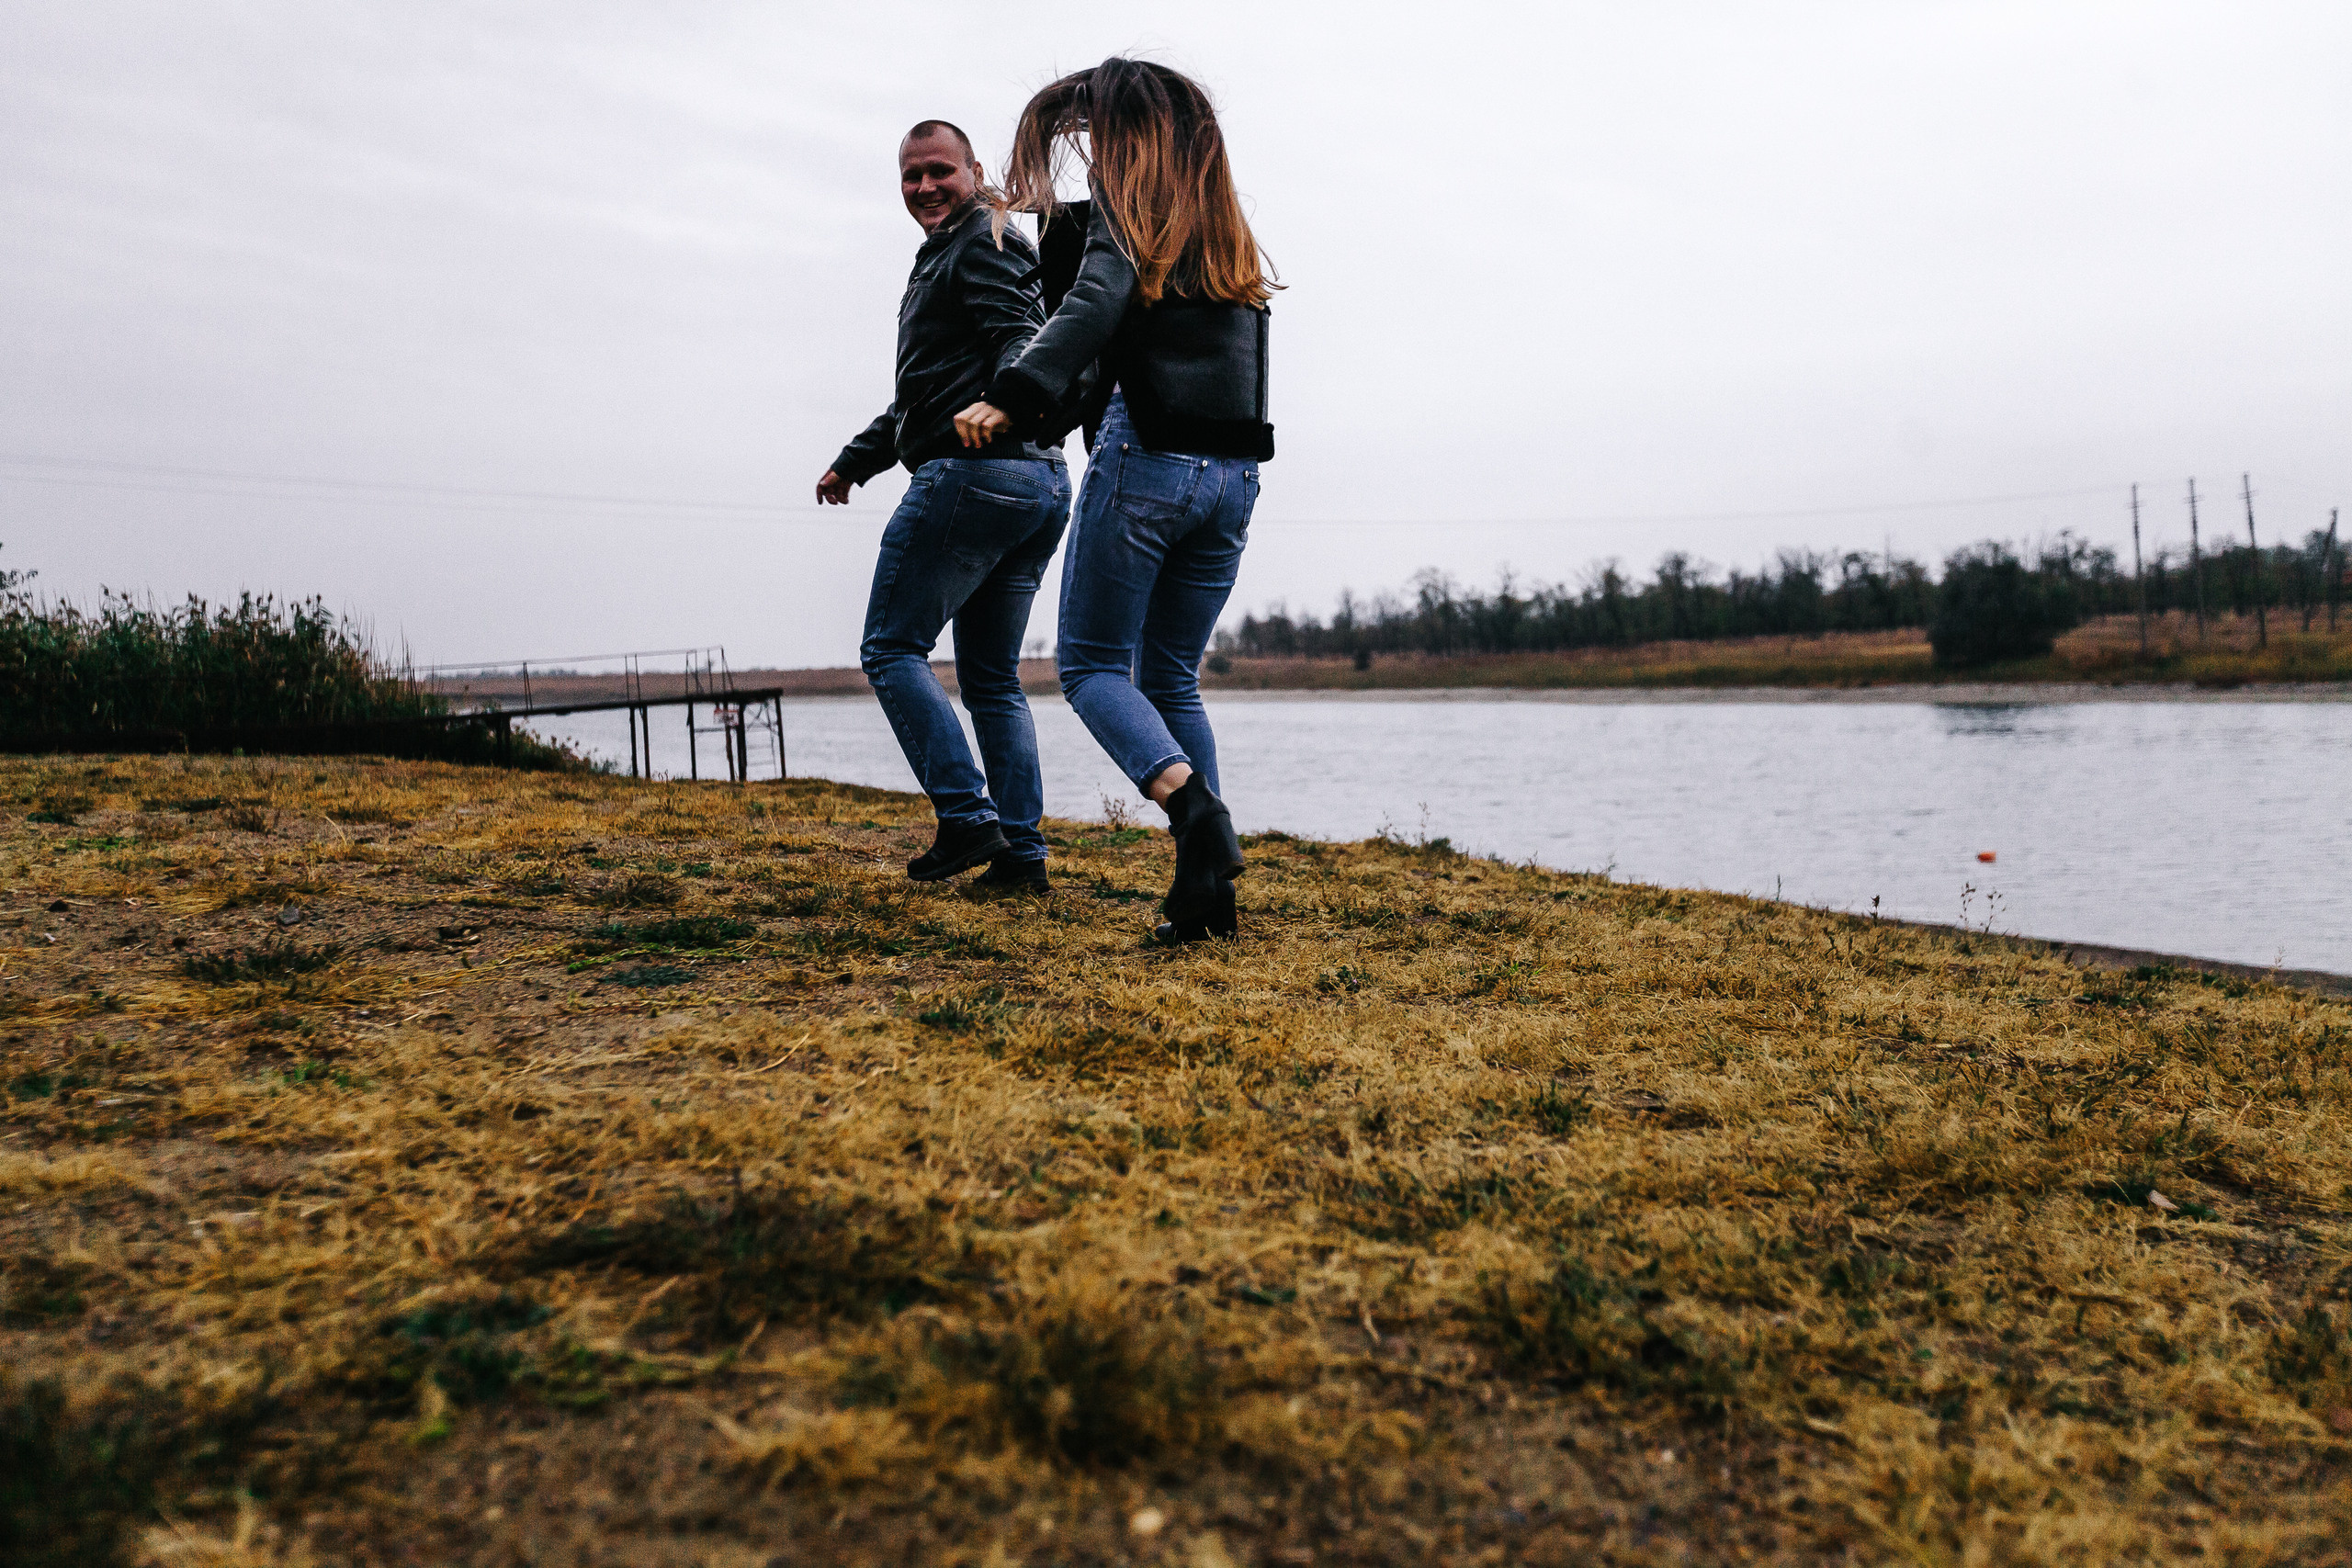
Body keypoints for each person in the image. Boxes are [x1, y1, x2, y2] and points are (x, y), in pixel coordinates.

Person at [955, 58, 1276, 944]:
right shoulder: (1220, 229)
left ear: (1123, 141)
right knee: (1172, 676)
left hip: (1149, 462)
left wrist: (1012, 394)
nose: (1089, 155)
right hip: (1235, 477)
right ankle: (1209, 900)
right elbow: (1097, 281)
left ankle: (1196, 813)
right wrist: (1025, 195)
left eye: (1097, 138)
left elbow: (1092, 302)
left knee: (1092, 668)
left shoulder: (1129, 217)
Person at [818, 120, 1072, 892]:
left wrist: (1003, 401)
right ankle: (1022, 857)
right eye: (910, 177)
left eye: (939, 171)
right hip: (1037, 484)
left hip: (977, 476)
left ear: (973, 170)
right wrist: (855, 462)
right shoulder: (950, 254)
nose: (924, 187)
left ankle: (967, 817)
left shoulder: (983, 243)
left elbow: (1024, 342)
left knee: (891, 649)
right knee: (992, 678)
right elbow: (921, 399)